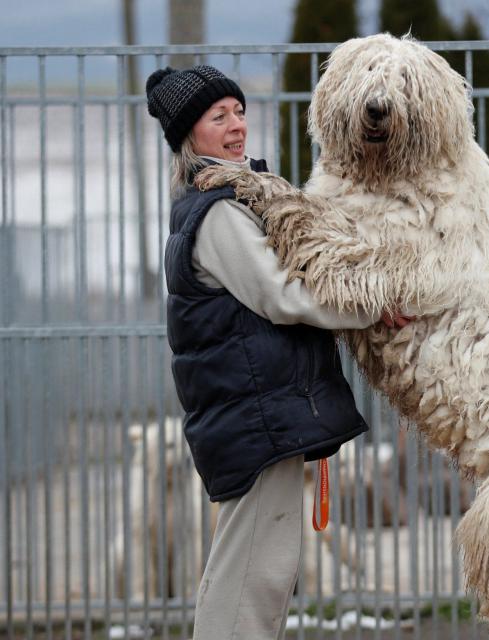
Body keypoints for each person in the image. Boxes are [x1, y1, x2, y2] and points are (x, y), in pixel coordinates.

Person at [146, 64, 408, 639]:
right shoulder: (215, 215)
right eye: (219, 117)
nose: (237, 126)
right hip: (255, 423)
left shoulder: (227, 201)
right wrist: (370, 303)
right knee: (251, 580)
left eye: (239, 111)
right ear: (190, 137)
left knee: (253, 572)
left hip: (258, 421)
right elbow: (283, 294)